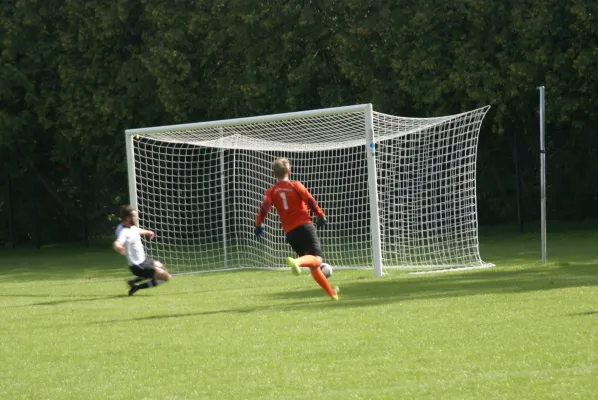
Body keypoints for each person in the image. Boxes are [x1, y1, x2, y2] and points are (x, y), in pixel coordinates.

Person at [255, 158, 339, 301]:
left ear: (274, 174)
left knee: (314, 266)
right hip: (304, 226)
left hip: (290, 233)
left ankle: (332, 293)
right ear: (288, 171)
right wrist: (320, 215)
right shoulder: (296, 185)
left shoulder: (272, 191)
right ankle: (297, 262)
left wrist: (258, 224)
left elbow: (264, 209)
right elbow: (310, 201)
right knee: (317, 259)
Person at [113, 205, 171, 296]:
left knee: (161, 266)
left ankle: (134, 281)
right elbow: (117, 243)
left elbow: (140, 231)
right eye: (134, 216)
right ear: (128, 218)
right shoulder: (124, 232)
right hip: (137, 266)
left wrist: (149, 232)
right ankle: (137, 287)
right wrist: (119, 247)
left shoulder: (132, 228)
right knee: (167, 277)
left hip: (144, 261)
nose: (136, 218)